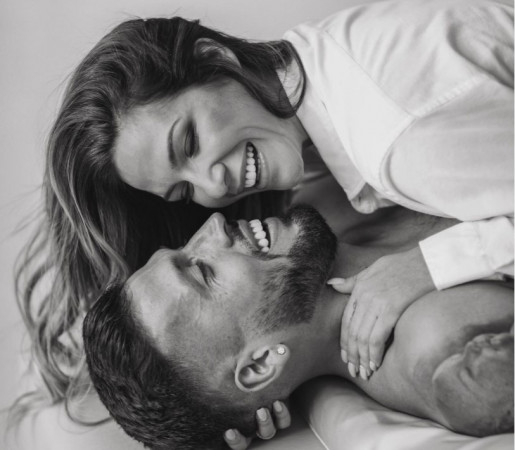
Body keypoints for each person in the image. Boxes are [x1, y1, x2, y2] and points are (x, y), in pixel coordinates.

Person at [16, 0, 513, 444]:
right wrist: (238, 400)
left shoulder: (393, 141)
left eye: (189, 142)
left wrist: (425, 266)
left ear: (216, 58)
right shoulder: (321, 156)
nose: (212, 208)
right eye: (184, 192)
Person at [83, 205, 514, 450]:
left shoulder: (319, 209)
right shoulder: (441, 349)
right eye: (201, 270)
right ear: (260, 365)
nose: (213, 224)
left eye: (183, 246)